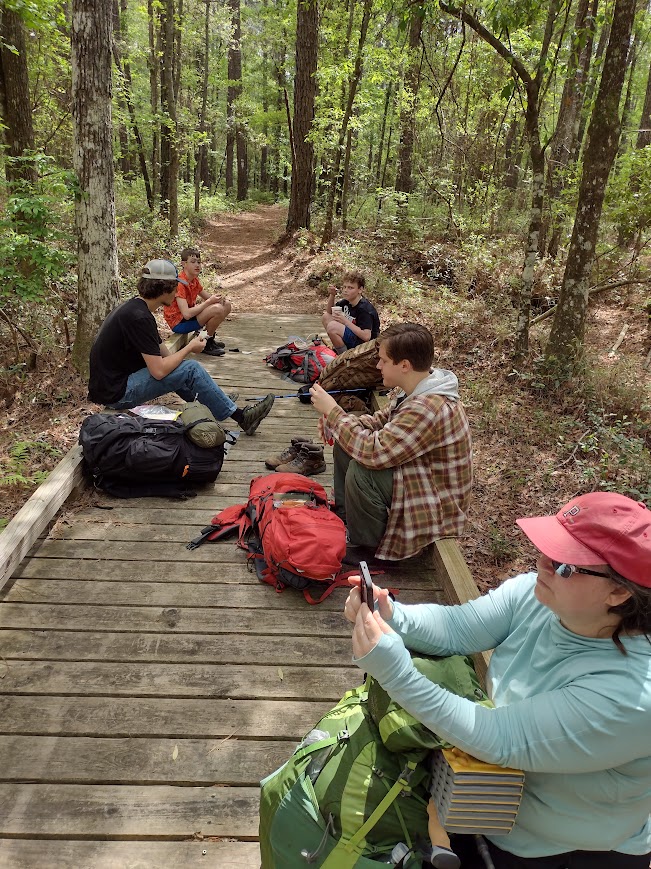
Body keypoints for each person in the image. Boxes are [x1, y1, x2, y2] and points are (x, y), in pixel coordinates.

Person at [344, 491, 651, 868]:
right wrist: (392, 615)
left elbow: (498, 737)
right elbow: (458, 627)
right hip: (487, 804)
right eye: (546, 549)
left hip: (570, 851)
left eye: (565, 564)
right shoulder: (538, 596)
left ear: (620, 592)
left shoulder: (632, 695)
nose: (543, 565)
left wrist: (396, 673)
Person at [309, 322, 472, 563]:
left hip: (436, 505)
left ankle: (369, 549)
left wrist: (334, 413)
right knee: (348, 440)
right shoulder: (420, 387)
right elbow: (378, 421)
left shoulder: (428, 407)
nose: (377, 366)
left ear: (404, 365)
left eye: (383, 360)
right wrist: (336, 421)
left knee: (362, 470)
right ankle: (346, 516)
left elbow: (372, 452)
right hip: (419, 474)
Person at [88, 259, 274, 435]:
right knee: (190, 368)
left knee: (182, 370)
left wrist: (204, 386)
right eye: (174, 286)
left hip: (117, 384)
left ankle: (214, 403)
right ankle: (242, 417)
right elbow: (159, 371)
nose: (177, 291)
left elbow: (166, 356)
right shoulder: (139, 317)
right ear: (163, 288)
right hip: (117, 393)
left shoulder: (137, 309)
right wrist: (189, 348)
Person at [163, 247, 232, 357]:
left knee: (226, 305)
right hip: (179, 323)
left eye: (199, 262)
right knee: (217, 309)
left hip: (189, 318)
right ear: (183, 264)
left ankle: (207, 338)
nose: (197, 265)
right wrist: (209, 302)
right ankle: (205, 343)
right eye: (193, 262)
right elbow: (186, 314)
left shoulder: (194, 280)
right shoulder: (180, 284)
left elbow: (207, 297)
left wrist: (219, 299)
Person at [321, 270, 380, 354]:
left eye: (350, 288)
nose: (345, 290)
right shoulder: (346, 302)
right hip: (353, 338)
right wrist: (332, 295)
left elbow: (366, 336)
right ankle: (341, 350)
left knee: (332, 326)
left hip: (365, 346)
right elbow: (329, 312)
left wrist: (345, 321)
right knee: (326, 317)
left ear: (360, 290)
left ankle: (344, 357)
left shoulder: (365, 309)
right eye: (344, 287)